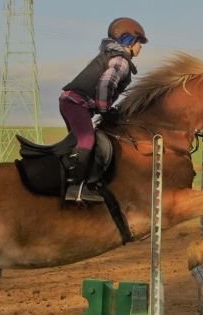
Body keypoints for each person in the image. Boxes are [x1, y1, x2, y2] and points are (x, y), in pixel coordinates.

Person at [59, 17, 148, 201]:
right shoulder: (120, 61)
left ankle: (82, 180)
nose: (141, 47)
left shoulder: (110, 56)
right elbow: (106, 84)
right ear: (128, 41)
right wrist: (105, 109)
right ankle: (75, 188)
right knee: (87, 139)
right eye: (139, 42)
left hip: (73, 102)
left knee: (81, 142)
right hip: (76, 103)